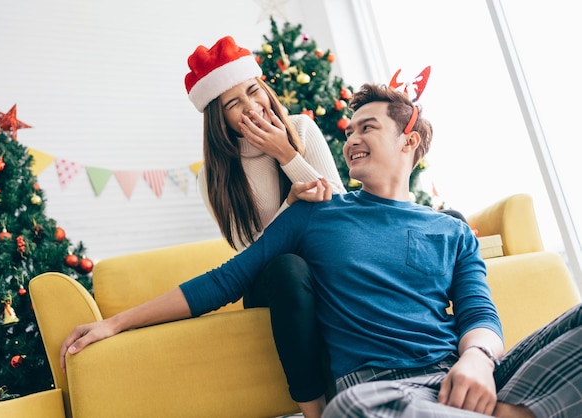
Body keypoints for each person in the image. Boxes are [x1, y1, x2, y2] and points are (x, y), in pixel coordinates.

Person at [61, 81, 582, 417]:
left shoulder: (450, 228)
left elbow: (479, 312)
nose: (351, 138)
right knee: (350, 411)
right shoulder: (312, 215)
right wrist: (113, 322)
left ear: (410, 142)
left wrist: (476, 362)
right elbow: (223, 281)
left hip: (462, 376)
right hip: (382, 391)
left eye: (368, 127)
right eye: (349, 130)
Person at [184, 35, 346, 416]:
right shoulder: (214, 178)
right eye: (233, 104)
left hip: (325, 262)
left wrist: (286, 155)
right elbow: (250, 255)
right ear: (218, 118)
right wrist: (289, 205)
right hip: (272, 279)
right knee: (290, 267)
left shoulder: (302, 130)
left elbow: (338, 212)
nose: (251, 106)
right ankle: (314, 410)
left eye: (253, 91)